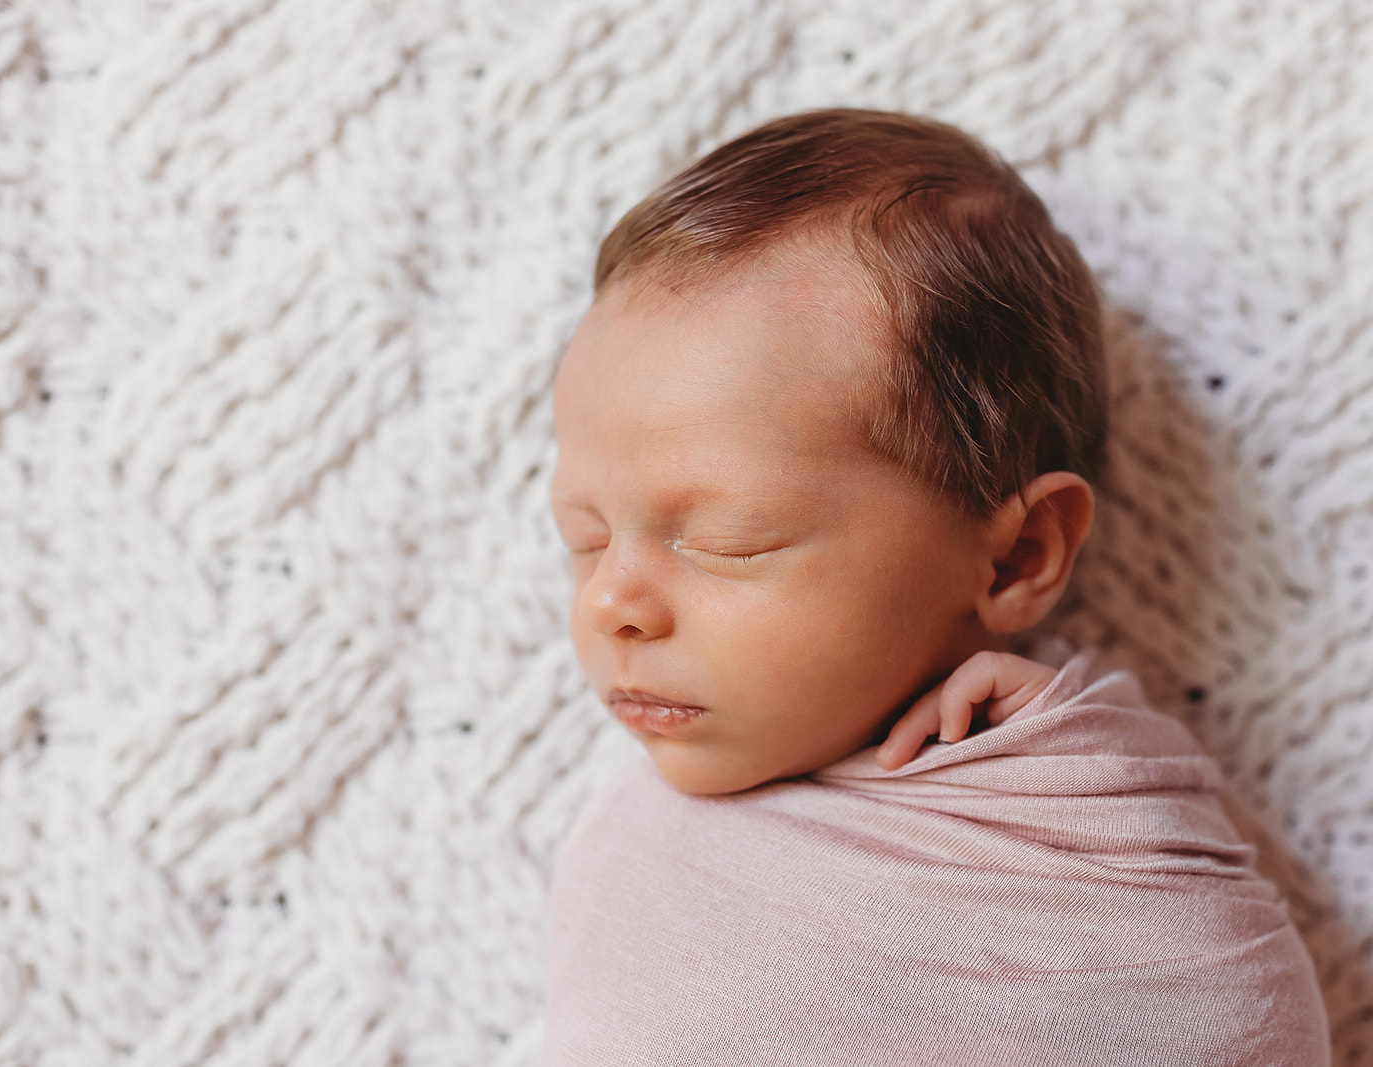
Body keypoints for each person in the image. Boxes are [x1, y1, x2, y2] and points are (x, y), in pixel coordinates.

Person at [543, 108, 1329, 1065]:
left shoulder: (1115, 889)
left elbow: (1229, 1016)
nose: (610, 602)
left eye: (728, 541)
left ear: (1016, 557)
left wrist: (1077, 762)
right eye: (583, 538)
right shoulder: (649, 857)